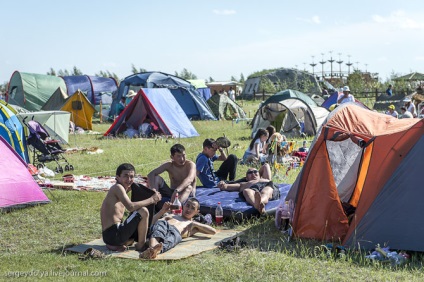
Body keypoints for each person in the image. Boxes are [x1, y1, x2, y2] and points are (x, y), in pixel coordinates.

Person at [100, 163, 162, 252]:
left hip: (112, 236)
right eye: (125, 176)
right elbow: (130, 206)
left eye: (131, 177)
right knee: (143, 211)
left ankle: (118, 244)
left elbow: (138, 191)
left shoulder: (123, 188)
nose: (129, 179)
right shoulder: (117, 187)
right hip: (113, 234)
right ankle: (141, 245)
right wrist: (152, 199)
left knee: (140, 212)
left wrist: (150, 192)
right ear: (117, 177)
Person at [140, 198, 216, 259]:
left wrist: (195, 223)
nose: (188, 209)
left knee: (171, 239)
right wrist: (162, 211)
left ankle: (152, 251)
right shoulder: (172, 216)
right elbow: (151, 223)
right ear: (183, 206)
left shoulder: (193, 225)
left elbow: (213, 231)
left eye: (192, 208)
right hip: (164, 227)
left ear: (197, 212)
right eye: (187, 206)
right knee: (160, 225)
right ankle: (152, 249)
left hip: (176, 233)